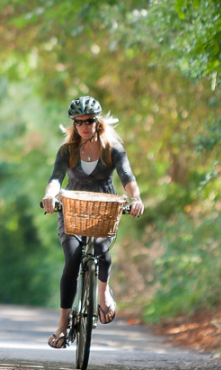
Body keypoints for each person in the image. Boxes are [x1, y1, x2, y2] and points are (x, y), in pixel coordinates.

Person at [40, 96, 145, 349]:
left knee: (101, 250)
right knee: (73, 258)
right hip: (72, 208)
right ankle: (63, 325)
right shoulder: (68, 150)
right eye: (79, 122)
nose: (84, 126)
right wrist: (50, 195)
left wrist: (136, 198)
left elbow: (127, 176)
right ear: (74, 125)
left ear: (98, 122)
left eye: (89, 121)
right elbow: (56, 177)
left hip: (103, 209)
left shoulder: (113, 149)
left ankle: (103, 292)